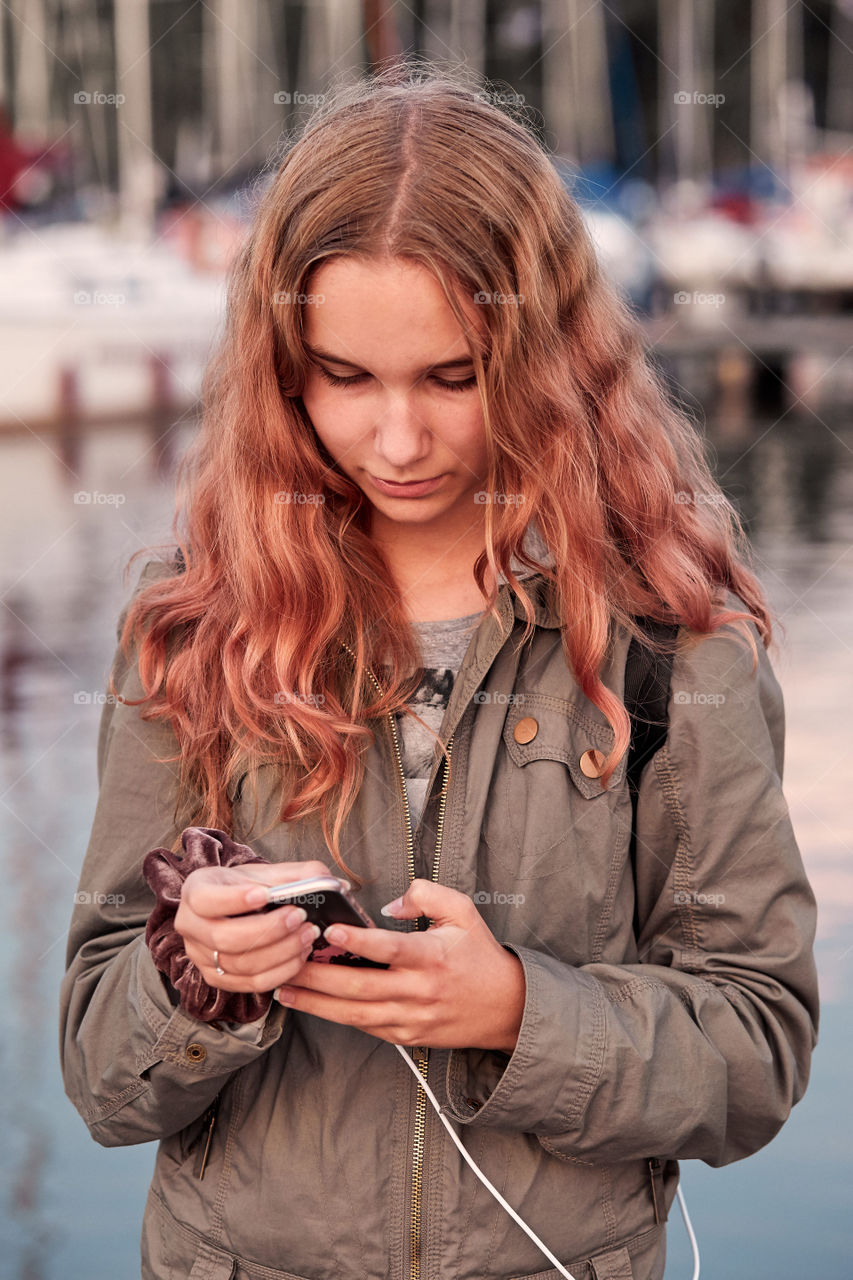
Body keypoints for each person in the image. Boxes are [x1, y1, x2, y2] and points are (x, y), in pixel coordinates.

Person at [59, 61, 819, 1280]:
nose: (398, 440)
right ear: (280, 364)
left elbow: (758, 1052)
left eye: (453, 379)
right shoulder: (191, 633)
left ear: (545, 356)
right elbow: (100, 1075)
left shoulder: (678, 645)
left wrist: (523, 1013)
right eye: (345, 379)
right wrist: (201, 981)